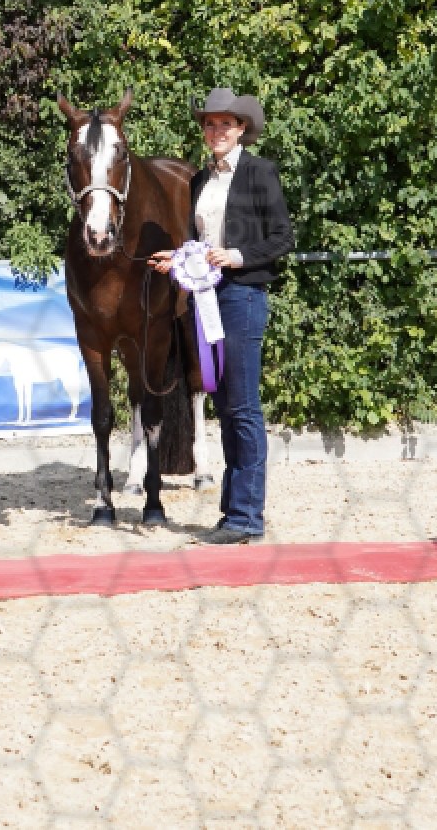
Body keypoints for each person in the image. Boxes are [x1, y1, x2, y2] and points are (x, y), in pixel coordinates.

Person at [152, 88, 293, 545]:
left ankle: (247, 516)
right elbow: (198, 245)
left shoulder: (259, 172)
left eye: (225, 124)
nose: (216, 131)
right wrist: (176, 259)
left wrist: (237, 256)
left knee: (243, 406)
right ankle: (234, 512)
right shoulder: (200, 181)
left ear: (241, 128)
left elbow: (282, 237)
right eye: (210, 124)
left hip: (243, 296)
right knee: (226, 405)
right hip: (207, 298)